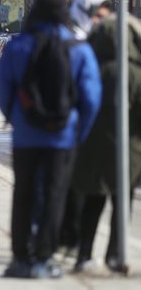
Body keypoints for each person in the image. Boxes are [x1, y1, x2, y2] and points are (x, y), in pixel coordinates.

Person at [0, 0, 102, 278]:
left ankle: (20, 258)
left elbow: (3, 88)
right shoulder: (79, 49)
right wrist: (79, 129)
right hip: (63, 136)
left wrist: (17, 118)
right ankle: (44, 259)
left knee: (24, 193)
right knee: (55, 196)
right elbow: (91, 97)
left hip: (26, 136)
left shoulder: (18, 45)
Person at [72, 15, 141, 273]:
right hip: (128, 152)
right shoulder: (136, 73)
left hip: (91, 150)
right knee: (122, 206)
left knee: (92, 203)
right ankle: (115, 255)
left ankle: (84, 254)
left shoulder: (91, 70)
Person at [59, 0, 112, 260]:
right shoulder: (69, 43)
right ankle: (66, 238)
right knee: (70, 188)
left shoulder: (104, 46)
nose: (98, 22)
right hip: (69, 129)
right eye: (95, 16)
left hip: (96, 132)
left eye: (103, 17)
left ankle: (77, 241)